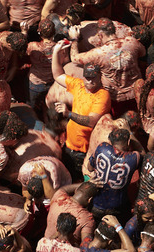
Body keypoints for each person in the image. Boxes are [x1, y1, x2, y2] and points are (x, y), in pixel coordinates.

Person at [51, 41, 111, 181]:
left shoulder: (102, 95)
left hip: (86, 151)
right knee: (69, 177)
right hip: (69, 145)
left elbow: (91, 122)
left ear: (100, 76)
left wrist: (68, 114)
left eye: (93, 77)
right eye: (87, 77)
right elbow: (57, 75)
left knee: (84, 180)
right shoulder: (79, 85)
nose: (89, 81)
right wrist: (55, 52)